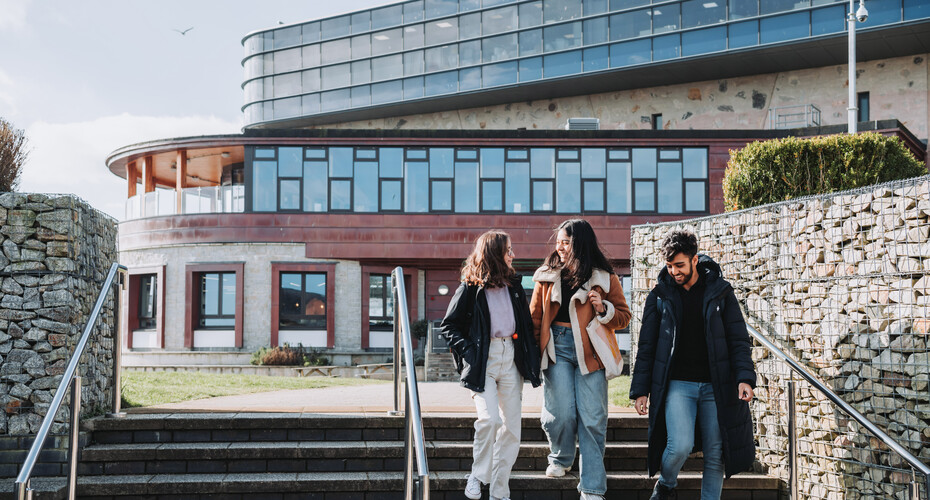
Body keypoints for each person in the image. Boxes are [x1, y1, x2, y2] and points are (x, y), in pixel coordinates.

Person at [630, 230, 757, 500]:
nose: (674, 271)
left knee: (715, 452)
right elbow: (647, 346)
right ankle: (666, 483)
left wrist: (745, 377)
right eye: (669, 266)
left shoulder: (720, 292)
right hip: (677, 384)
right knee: (680, 445)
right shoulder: (659, 296)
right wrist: (640, 390)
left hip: (716, 385)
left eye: (680, 265)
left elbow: (738, 338)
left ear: (694, 260)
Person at [529, 219, 632, 500]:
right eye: (558, 241)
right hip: (557, 348)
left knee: (592, 419)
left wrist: (604, 307)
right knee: (559, 412)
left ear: (580, 244)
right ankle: (561, 458)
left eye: (566, 242)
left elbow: (623, 317)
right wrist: (532, 357)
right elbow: (535, 319)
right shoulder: (546, 275)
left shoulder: (604, 277)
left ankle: (592, 487)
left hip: (592, 353)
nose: (560, 247)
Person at [440, 230, 542, 500]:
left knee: (512, 430)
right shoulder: (471, 287)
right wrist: (471, 352)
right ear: (495, 253)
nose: (513, 255)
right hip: (483, 360)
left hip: (511, 358)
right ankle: (477, 475)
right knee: (488, 419)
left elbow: (525, 325)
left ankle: (499, 491)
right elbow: (449, 326)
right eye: (509, 250)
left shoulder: (515, 286)